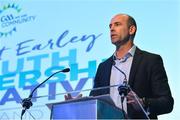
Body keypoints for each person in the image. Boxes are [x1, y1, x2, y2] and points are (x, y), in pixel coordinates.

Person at [89, 13, 174, 119]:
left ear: (131, 30)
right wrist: (78, 102)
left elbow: (167, 102)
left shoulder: (150, 61)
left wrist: (143, 103)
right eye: (110, 26)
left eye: (117, 24)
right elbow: (95, 100)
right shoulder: (103, 67)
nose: (112, 29)